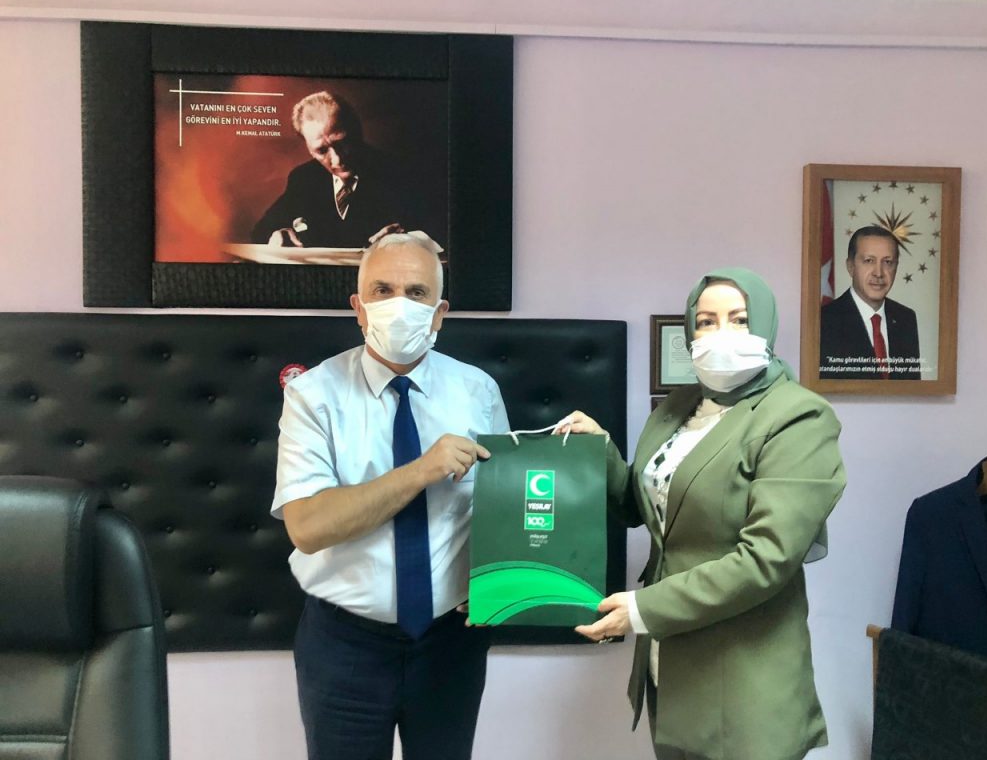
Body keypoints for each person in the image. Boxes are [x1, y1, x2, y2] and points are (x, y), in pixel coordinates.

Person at [559, 268, 846, 760]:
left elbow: (767, 559)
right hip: (669, 668)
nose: (721, 333)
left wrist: (642, 609)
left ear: (766, 325)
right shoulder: (678, 407)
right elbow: (643, 508)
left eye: (739, 319)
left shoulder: (797, 416)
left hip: (743, 676)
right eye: (707, 321)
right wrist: (600, 451)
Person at [271, 230, 509, 760]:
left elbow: (500, 506)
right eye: (382, 290)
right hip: (344, 646)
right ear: (358, 307)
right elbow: (307, 527)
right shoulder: (313, 396)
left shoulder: (478, 391)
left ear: (439, 313)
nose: (399, 304)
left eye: (417, 292)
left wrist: (497, 582)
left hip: (450, 642)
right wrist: (420, 471)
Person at [251, 91, 432, 249]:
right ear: (309, 149)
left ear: (357, 131)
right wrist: (277, 234)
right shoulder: (304, 178)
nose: (337, 159)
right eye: (322, 150)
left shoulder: (401, 173)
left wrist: (411, 238)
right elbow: (260, 232)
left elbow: (439, 231)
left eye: (342, 143)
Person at [819, 225, 921, 380]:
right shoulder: (825, 321)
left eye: (888, 262)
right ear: (850, 266)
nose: (879, 273)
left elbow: (913, 388)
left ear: (896, 267)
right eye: (869, 261)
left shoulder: (906, 319)